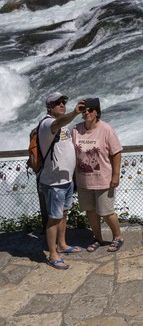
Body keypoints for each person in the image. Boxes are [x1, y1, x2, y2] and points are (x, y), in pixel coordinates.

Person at [38, 92, 85, 269]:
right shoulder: (48, 123)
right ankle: (52, 254)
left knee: (63, 214)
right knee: (54, 218)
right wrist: (74, 113)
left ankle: (62, 245)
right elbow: (59, 122)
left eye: (63, 102)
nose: (62, 104)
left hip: (66, 180)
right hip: (54, 182)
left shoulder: (63, 126)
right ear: (49, 107)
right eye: (57, 103)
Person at [72, 98, 125, 252]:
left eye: (90, 110)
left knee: (107, 212)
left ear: (97, 112)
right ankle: (98, 238)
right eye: (84, 110)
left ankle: (118, 236)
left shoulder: (106, 129)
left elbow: (116, 153)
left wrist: (116, 176)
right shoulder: (76, 129)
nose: (87, 112)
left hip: (104, 179)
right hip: (83, 181)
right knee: (91, 211)